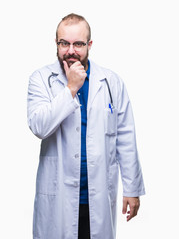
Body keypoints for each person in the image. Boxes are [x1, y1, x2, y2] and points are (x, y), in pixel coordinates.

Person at [27, 13, 145, 239]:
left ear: (89, 45)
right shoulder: (41, 79)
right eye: (65, 43)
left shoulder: (110, 81)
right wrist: (71, 89)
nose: (71, 50)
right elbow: (39, 126)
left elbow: (125, 136)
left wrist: (132, 189)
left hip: (98, 193)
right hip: (58, 195)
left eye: (78, 44)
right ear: (56, 43)